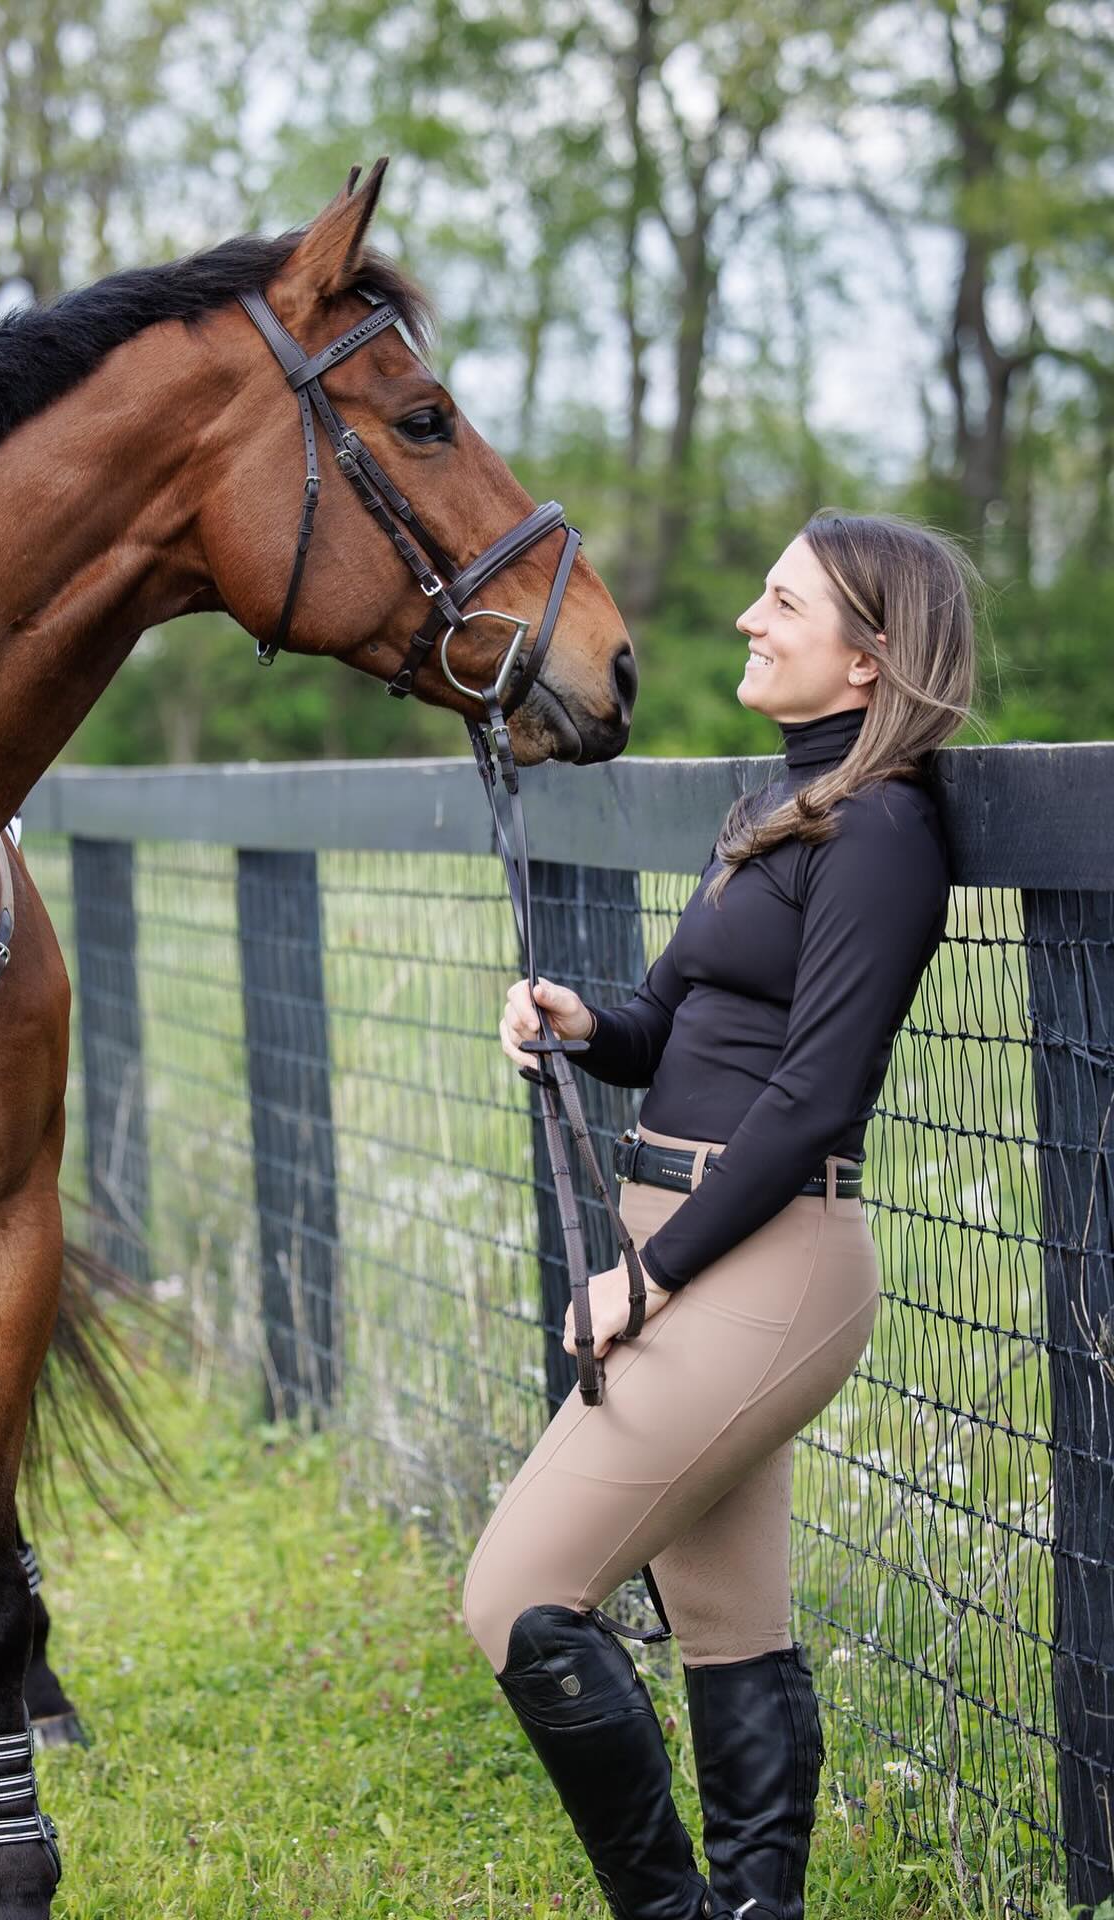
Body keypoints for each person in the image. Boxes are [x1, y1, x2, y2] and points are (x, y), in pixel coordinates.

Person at [461, 510, 980, 1920]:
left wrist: (651, 1281)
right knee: (730, 1625)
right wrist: (581, 1019)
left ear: (870, 663)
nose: (749, 619)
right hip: (688, 1236)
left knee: (515, 1594)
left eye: (782, 603)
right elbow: (670, 1027)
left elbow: (812, 1099)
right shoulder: (777, 807)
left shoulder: (882, 832)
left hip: (766, 1260)